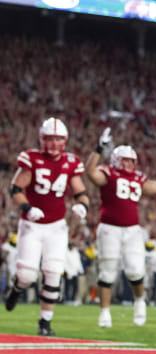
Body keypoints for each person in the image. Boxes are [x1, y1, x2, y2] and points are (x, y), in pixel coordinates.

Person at [85, 127, 156, 328]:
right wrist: (98, 148)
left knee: (136, 271)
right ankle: (104, 313)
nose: (129, 164)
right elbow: (90, 172)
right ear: (115, 160)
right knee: (107, 272)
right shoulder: (108, 173)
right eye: (125, 160)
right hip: (109, 228)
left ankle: (140, 303)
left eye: (131, 160)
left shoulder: (138, 178)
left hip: (132, 230)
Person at [5, 117, 90, 336]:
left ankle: (45, 323)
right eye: (49, 139)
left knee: (53, 272)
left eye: (58, 139)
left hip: (56, 227)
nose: (53, 143)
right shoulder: (31, 158)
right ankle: (17, 287)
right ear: (42, 140)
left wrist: (82, 206)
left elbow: (81, 192)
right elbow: (15, 189)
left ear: (65, 141)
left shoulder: (71, 162)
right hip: (32, 225)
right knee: (27, 275)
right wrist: (27, 208)